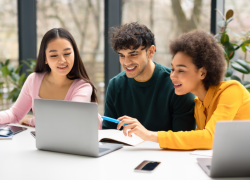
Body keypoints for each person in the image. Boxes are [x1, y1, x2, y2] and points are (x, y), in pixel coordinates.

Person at [117, 30, 250, 150]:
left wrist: (149, 135)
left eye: (181, 70)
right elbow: (197, 139)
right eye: (173, 69)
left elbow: (209, 137)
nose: (172, 76)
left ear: (202, 73)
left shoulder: (232, 90)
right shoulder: (199, 104)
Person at [102, 22, 196, 133]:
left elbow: (183, 140)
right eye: (122, 55)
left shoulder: (177, 85)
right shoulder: (115, 85)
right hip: (125, 150)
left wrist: (145, 134)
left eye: (133, 54)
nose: (126, 62)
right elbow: (108, 135)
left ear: (150, 52)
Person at [0, 28, 102, 129]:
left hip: (72, 143)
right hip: (41, 143)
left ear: (74, 54)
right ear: (45, 59)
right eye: (54, 55)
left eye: (67, 53)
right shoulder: (34, 80)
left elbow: (70, 119)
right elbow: (15, 114)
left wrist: (31, 120)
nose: (62, 60)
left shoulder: (83, 87)